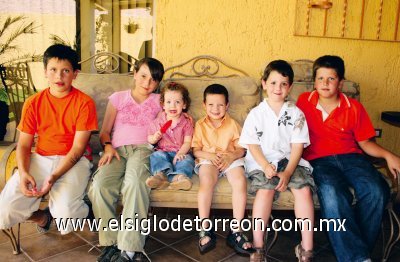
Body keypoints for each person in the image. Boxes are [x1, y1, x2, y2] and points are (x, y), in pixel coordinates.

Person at [296, 55, 400, 262]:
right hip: (319, 160)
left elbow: (365, 143)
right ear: (314, 82)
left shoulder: (354, 107)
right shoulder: (303, 102)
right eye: (320, 78)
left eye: (331, 79)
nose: (325, 83)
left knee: (376, 190)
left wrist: (390, 156)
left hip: (352, 158)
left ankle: (356, 253)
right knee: (332, 194)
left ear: (340, 83)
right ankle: (358, 257)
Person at [0, 44, 98, 235]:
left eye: (66, 71)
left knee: (65, 218)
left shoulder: (84, 103)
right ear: (45, 71)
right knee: (4, 212)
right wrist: (23, 173)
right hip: (41, 158)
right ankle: (43, 218)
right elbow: (24, 144)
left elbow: (78, 149)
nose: (59, 77)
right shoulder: (33, 103)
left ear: (75, 74)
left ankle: (85, 211)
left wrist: (53, 177)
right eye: (53, 70)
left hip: (74, 161)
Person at [88, 57, 164, 262]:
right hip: (116, 151)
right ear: (134, 73)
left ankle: (129, 248)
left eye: (154, 80)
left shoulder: (159, 102)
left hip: (144, 150)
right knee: (99, 186)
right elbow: (104, 132)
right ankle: (111, 242)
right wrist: (108, 147)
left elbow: (172, 121)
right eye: (143, 76)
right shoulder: (118, 98)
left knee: (135, 183)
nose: (147, 83)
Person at [239, 60, 315, 262]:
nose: (277, 88)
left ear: (289, 87)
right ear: (264, 84)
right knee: (265, 190)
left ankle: (306, 249)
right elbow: (252, 145)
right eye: (273, 83)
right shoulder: (256, 114)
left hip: (290, 161)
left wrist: (289, 172)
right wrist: (265, 165)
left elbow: (298, 145)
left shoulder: (296, 113)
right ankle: (258, 247)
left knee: (304, 190)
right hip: (262, 161)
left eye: (283, 84)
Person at [192, 84, 255, 255]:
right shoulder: (200, 125)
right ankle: (205, 228)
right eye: (211, 104)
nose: (215, 109)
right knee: (206, 182)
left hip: (230, 158)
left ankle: (236, 230)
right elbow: (195, 150)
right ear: (204, 105)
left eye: (220, 104)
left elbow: (242, 149)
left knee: (240, 181)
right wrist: (209, 156)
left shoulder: (233, 124)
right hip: (208, 158)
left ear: (227, 105)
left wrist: (230, 157)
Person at [146, 82, 195, 190]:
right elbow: (149, 139)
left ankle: (180, 178)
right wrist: (154, 138)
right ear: (163, 105)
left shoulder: (186, 123)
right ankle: (160, 175)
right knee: (156, 156)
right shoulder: (157, 122)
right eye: (168, 102)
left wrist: (181, 153)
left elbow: (187, 142)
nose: (172, 106)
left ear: (184, 105)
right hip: (163, 151)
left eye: (177, 102)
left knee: (187, 160)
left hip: (180, 152)